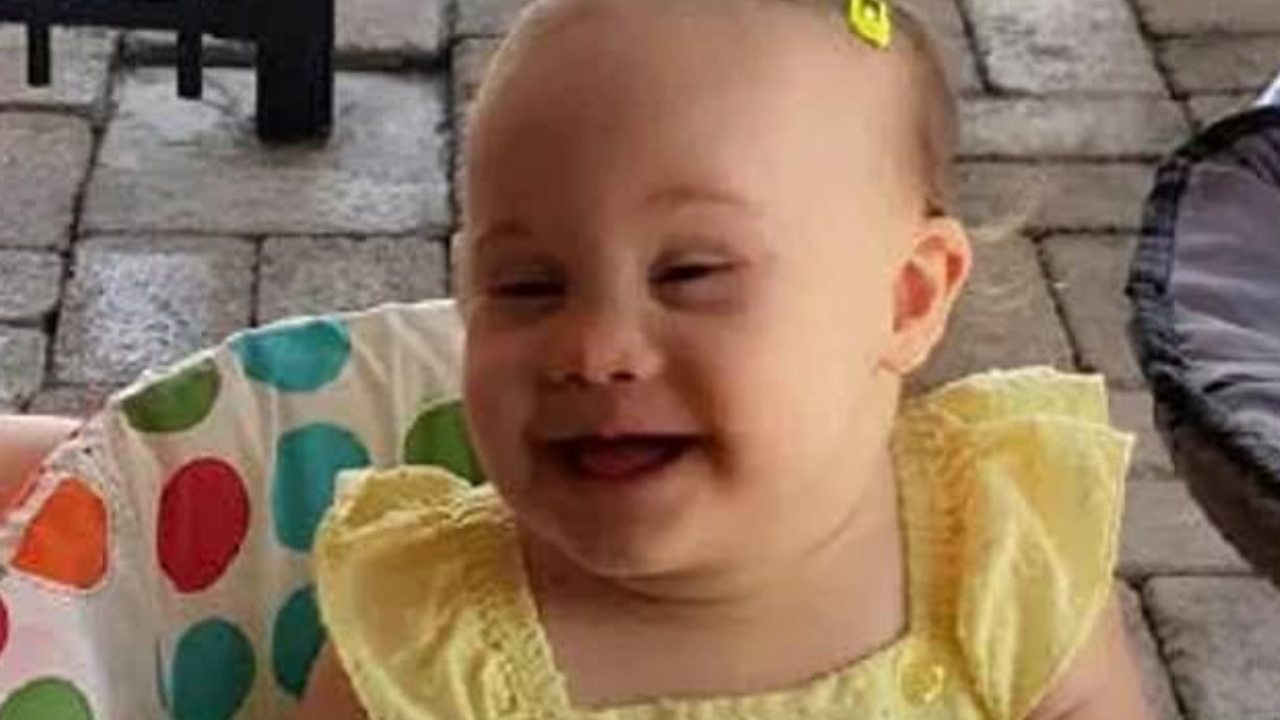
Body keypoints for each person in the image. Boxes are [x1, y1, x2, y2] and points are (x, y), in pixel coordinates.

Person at [296, 0, 1153, 718]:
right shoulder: (417, 646)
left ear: (906, 299)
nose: (593, 349)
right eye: (527, 285)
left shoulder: (1005, 565)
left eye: (691, 273)